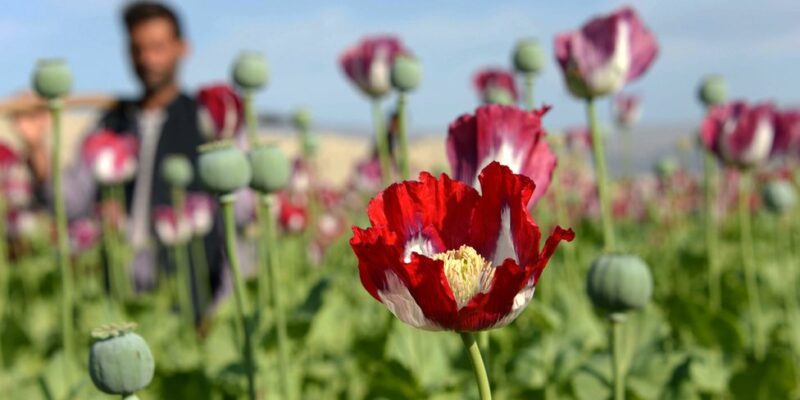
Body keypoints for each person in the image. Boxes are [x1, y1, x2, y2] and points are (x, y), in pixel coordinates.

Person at [24, 2, 221, 309]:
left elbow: (234, 221)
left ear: (182, 49)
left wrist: (219, 305)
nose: (146, 59)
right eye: (137, 49)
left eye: (157, 47)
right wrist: (36, 145)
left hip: (189, 297)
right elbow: (69, 202)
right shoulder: (110, 124)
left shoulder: (207, 123)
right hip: (114, 296)